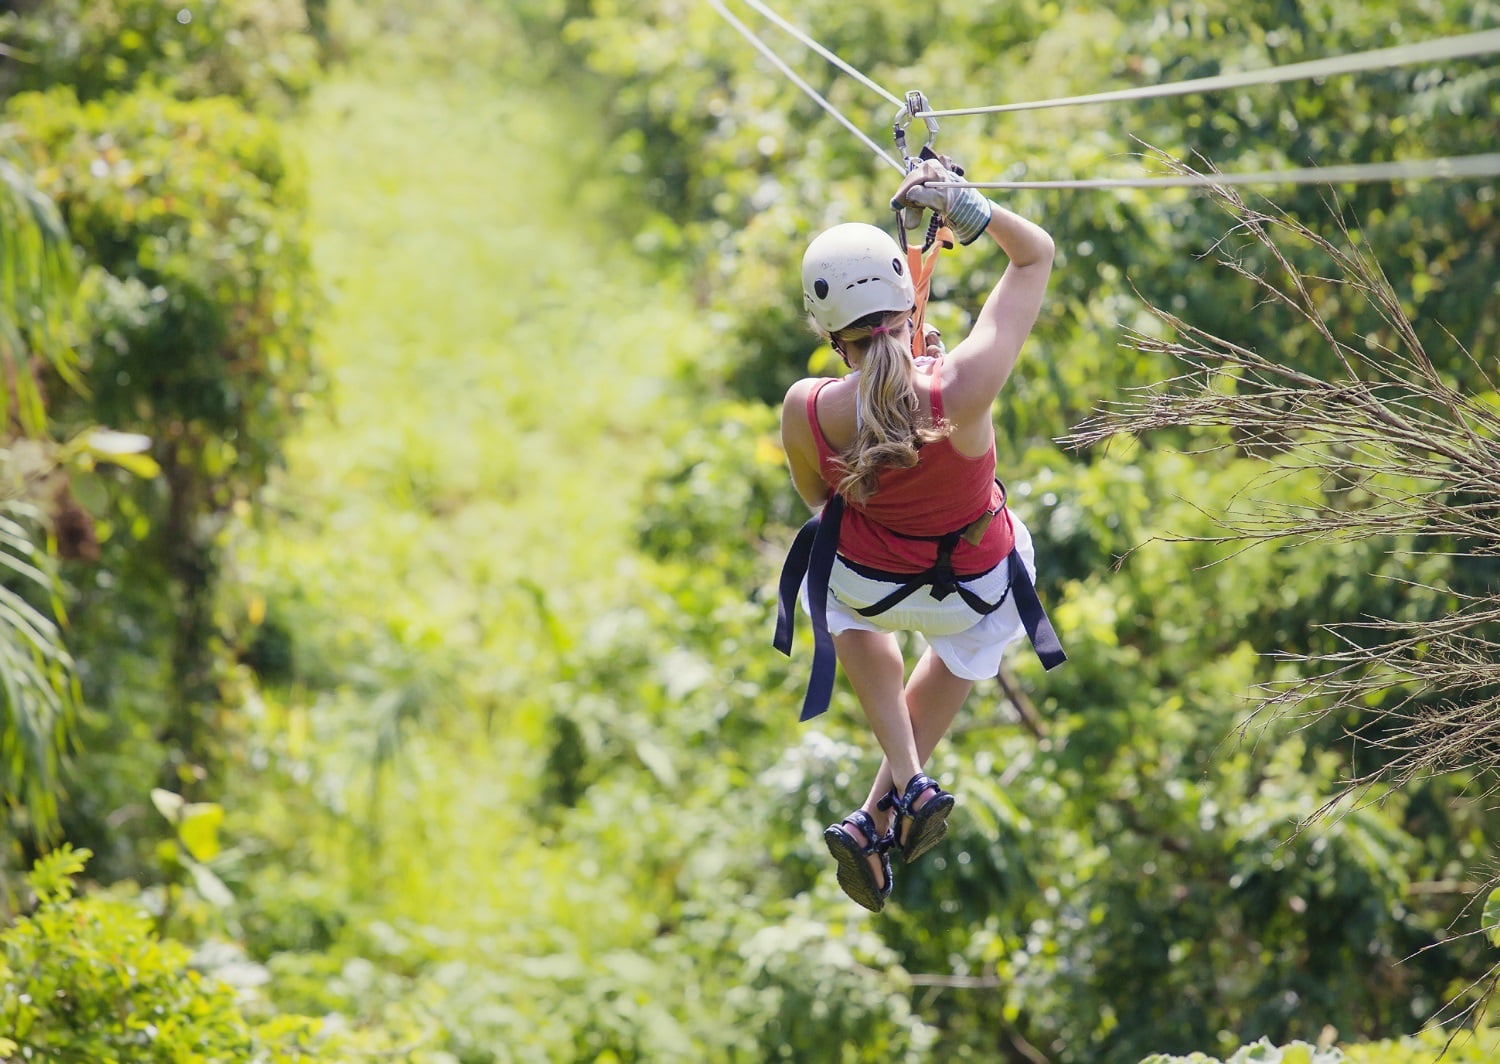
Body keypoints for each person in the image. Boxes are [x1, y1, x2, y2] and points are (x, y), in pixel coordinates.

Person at [774, 158, 1062, 912]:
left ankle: (899, 792)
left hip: (871, 585)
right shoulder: (962, 386)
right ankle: (891, 799)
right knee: (971, 637)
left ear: (831, 334)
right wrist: (970, 210)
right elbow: (1036, 255)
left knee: (827, 579)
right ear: (910, 300)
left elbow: (819, 498)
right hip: (974, 585)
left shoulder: (806, 409)